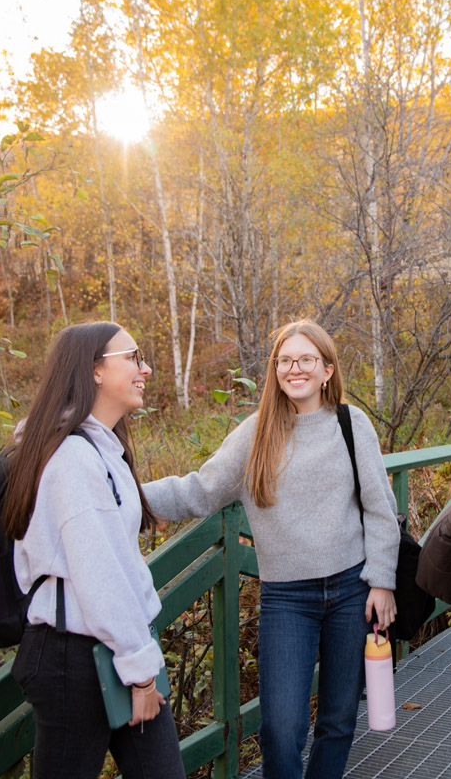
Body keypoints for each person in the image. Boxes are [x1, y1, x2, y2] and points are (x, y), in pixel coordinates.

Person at [144, 319, 401, 779]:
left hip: (351, 590)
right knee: (281, 728)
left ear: (326, 369)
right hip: (287, 599)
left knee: (339, 720)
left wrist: (382, 582)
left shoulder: (351, 423)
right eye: (284, 361)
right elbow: (200, 491)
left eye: (305, 360)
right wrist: (126, 493)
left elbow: (381, 508)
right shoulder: (256, 432)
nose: (293, 369)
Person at [1, 322, 185, 779]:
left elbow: (111, 550)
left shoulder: (101, 449)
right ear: (95, 371)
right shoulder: (73, 459)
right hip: (75, 659)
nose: (146, 368)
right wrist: (141, 674)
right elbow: (100, 576)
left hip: (117, 646)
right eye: (133, 357)